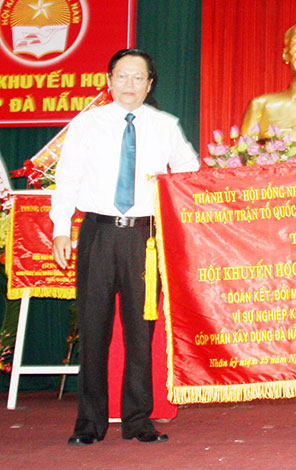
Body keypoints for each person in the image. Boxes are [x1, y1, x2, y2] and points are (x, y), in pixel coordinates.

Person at [50, 48, 199, 446]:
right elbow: (66, 179)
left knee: (140, 332)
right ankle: (89, 424)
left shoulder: (166, 125)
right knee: (93, 329)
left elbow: (189, 175)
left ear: (149, 84)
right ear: (109, 80)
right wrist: (61, 229)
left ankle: (138, 421)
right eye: (122, 76)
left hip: (145, 240)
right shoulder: (86, 124)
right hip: (97, 233)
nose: (129, 85)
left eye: (138, 78)